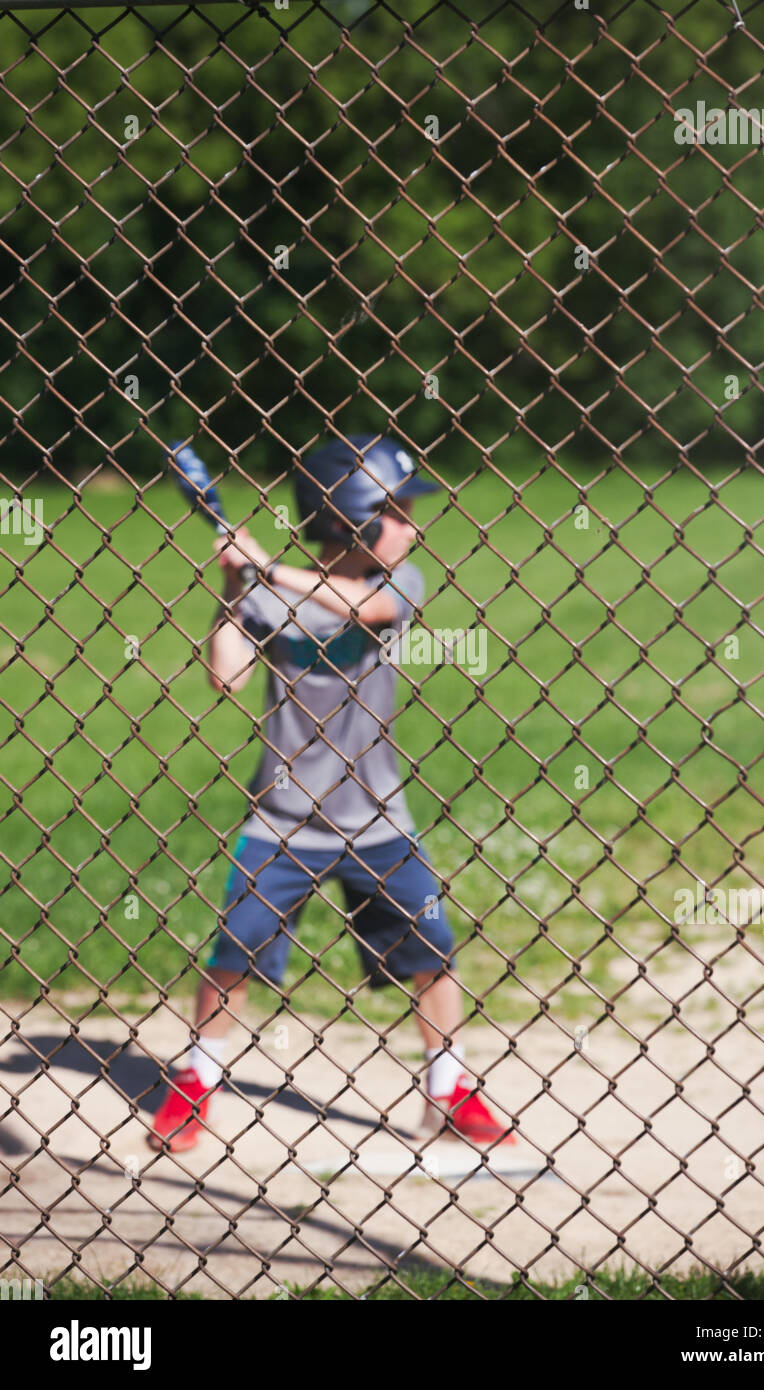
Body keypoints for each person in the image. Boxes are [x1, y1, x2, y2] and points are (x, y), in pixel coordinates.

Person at [148, 436, 514, 1153]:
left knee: (430, 950)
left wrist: (267, 567)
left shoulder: (401, 584)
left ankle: (449, 1089)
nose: (414, 526)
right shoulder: (270, 591)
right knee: (236, 951)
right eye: (399, 513)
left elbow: (368, 610)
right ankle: (197, 1079)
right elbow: (226, 675)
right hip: (283, 818)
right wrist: (236, 585)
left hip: (377, 815)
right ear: (351, 518)